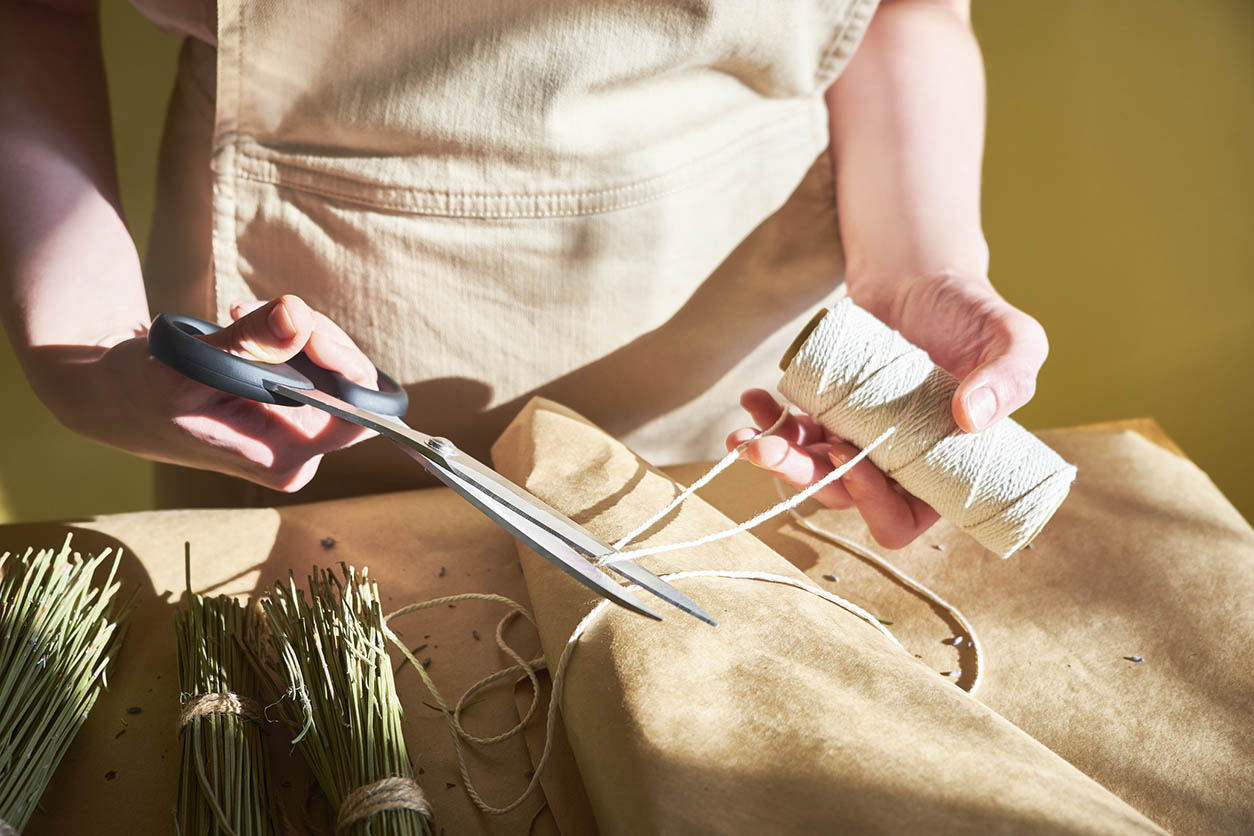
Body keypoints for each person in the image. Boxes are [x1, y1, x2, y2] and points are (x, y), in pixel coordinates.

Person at [1, 0, 1046, 548]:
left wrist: (919, 276)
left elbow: (906, 8)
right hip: (293, 373)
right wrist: (86, 353)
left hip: (745, 379)